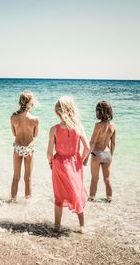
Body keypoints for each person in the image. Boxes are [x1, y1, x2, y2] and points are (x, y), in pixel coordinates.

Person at [47, 96, 90, 233]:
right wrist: (81, 161)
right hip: (74, 163)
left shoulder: (54, 129)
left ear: (58, 111)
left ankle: (57, 226)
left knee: (59, 195)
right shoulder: (79, 127)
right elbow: (88, 148)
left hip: (59, 163)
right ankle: (82, 226)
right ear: (72, 110)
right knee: (76, 192)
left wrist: (50, 163)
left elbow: (49, 152)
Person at [10, 91, 39, 203]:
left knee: (16, 176)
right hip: (29, 149)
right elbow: (35, 135)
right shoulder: (35, 119)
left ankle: (13, 200)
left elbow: (14, 134)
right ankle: (28, 202)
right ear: (31, 103)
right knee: (28, 178)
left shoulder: (13, 117)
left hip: (17, 147)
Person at [86, 101, 116, 203]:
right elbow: (113, 144)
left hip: (96, 154)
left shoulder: (98, 126)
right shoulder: (113, 126)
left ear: (99, 113)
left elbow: (92, 141)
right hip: (107, 154)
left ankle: (91, 198)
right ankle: (109, 198)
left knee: (94, 178)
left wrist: (85, 157)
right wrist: (110, 156)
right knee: (107, 178)